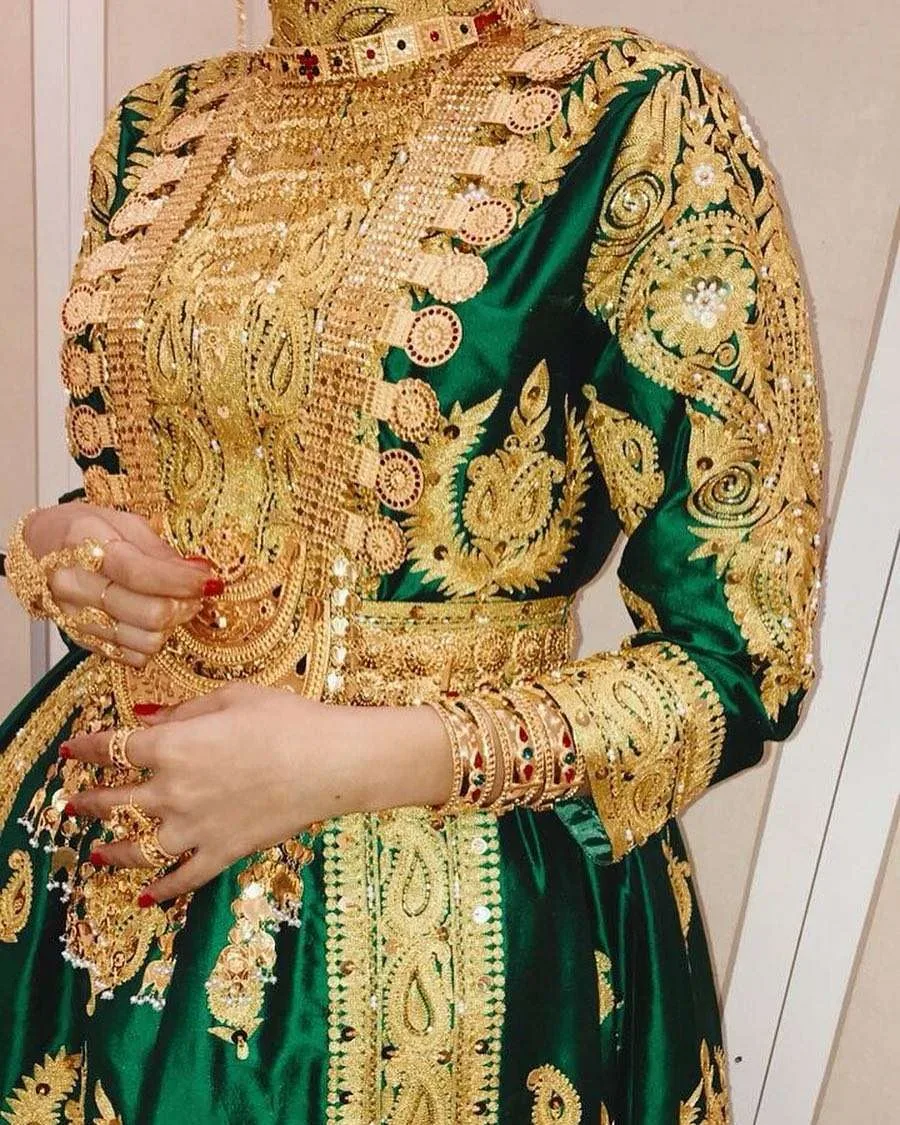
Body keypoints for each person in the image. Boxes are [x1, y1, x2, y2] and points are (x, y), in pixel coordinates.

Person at [0, 1, 824, 1121]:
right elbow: (207, 486)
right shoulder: (161, 124)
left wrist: (344, 759)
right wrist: (67, 547)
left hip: (440, 893)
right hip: (91, 858)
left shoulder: (627, 119)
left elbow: (743, 654)